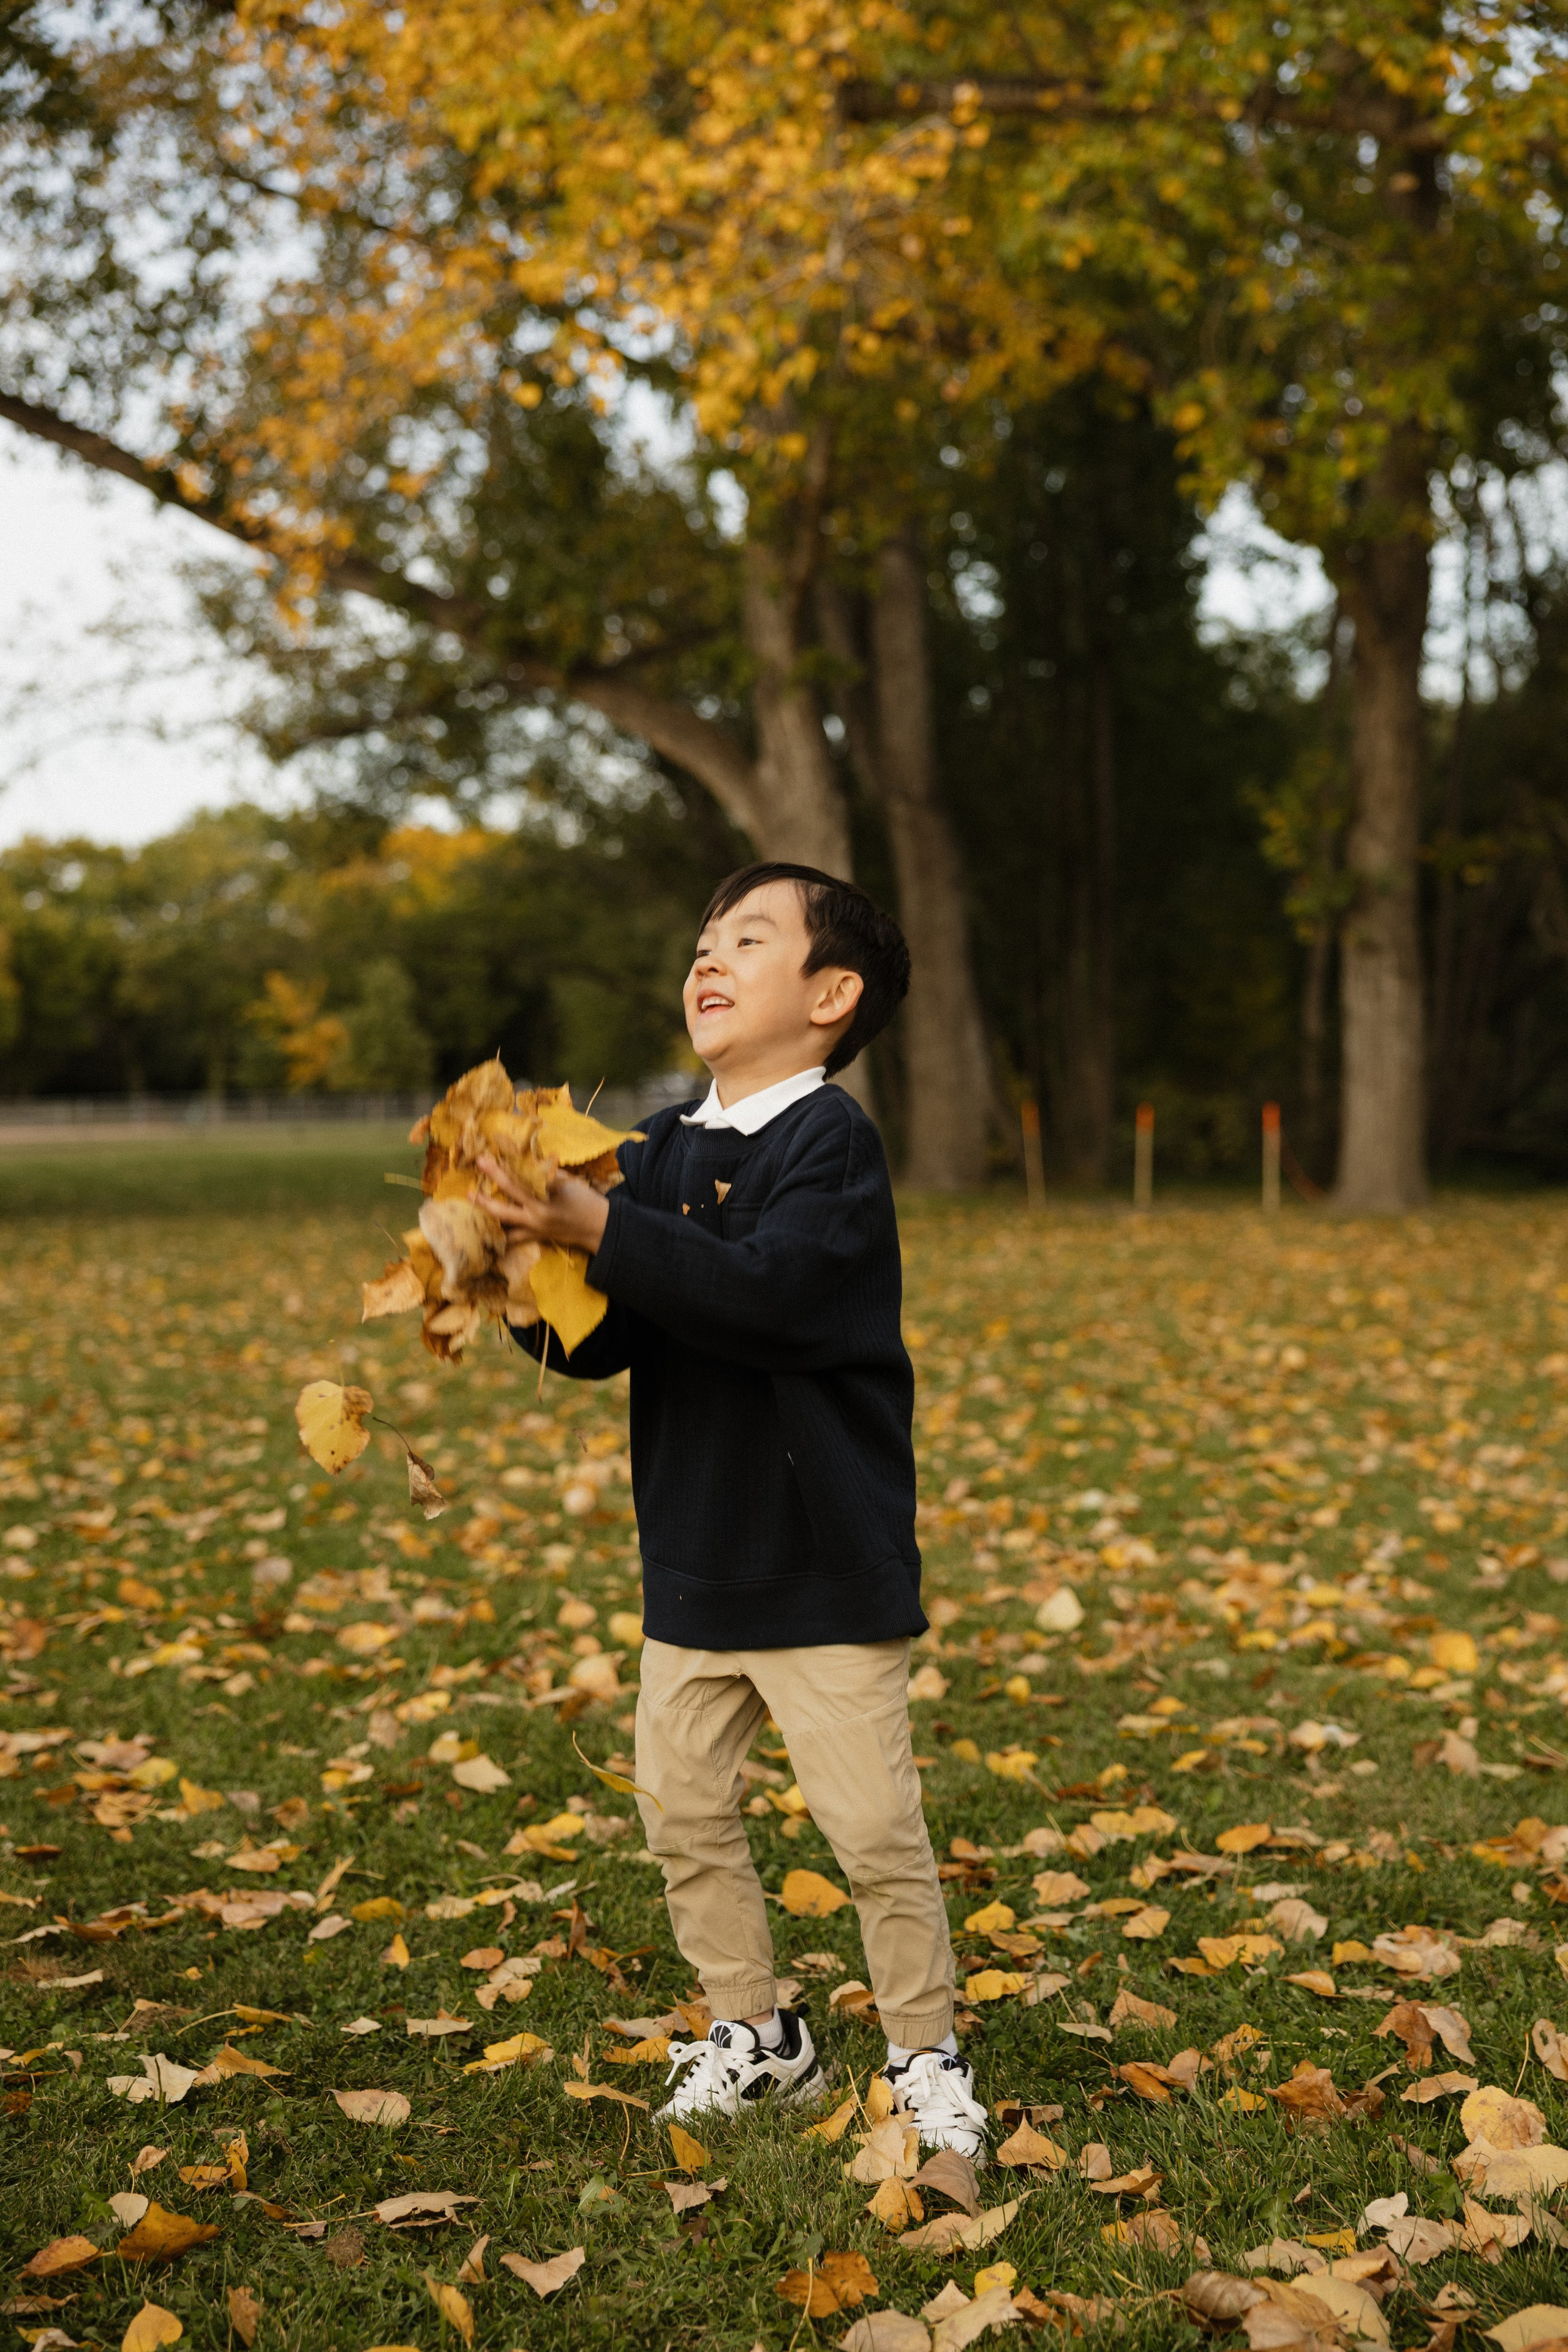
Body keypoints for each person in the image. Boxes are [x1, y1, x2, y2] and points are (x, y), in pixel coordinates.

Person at [475, 860, 987, 2160]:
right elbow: (608, 1343)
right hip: (697, 1555)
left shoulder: (832, 1144)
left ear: (829, 994)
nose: (707, 958)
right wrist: (519, 1276)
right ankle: (755, 2034)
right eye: (702, 939)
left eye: (746, 940)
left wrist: (603, 1222)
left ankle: (922, 2049)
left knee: (870, 1829)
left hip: (822, 1558)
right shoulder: (650, 1148)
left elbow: (769, 1294)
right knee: (683, 1810)